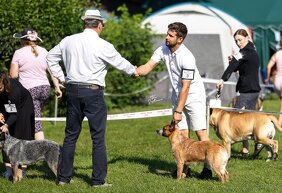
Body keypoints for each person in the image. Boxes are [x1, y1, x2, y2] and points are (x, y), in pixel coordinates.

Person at [46, 9, 138, 187]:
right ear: (99, 25)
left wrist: (63, 79)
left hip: (73, 91)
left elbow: (50, 57)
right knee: (97, 138)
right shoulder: (103, 44)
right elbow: (121, 63)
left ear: (85, 23)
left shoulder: (68, 40)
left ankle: (63, 178)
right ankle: (97, 181)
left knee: (70, 136)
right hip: (93, 93)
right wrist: (134, 71)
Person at [136, 22, 212, 179]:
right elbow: (147, 66)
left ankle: (208, 169)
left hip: (194, 96)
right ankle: (185, 169)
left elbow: (186, 87)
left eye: (170, 35)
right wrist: (132, 71)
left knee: (200, 133)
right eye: (167, 34)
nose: (166, 37)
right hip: (177, 95)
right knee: (182, 133)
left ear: (180, 39)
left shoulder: (187, 57)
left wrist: (178, 111)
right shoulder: (163, 49)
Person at [9, 28, 62, 140]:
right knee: (32, 118)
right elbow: (52, 72)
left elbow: (13, 75)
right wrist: (57, 87)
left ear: (23, 40)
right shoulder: (44, 51)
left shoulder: (18, 53)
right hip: (45, 89)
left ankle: (41, 150)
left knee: (35, 123)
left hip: (29, 91)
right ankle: (32, 148)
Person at [216, 29, 261, 156]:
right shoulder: (252, 49)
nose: (238, 43)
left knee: (234, 118)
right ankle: (247, 148)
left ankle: (255, 142)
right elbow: (239, 66)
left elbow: (232, 67)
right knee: (248, 120)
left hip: (246, 91)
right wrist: (234, 60)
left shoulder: (243, 52)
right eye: (236, 41)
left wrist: (222, 79)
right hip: (254, 90)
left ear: (247, 37)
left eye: (240, 40)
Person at [0, 71, 35, 178]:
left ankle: (22, 170)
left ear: (5, 84)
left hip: (23, 108)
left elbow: (14, 114)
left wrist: (6, 125)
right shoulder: (2, 91)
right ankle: (8, 170)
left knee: (21, 135)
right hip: (7, 104)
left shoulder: (14, 91)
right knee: (4, 137)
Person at [265, 36, 282, 126]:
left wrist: (267, 78)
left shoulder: (277, 54)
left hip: (277, 81)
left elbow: (268, 67)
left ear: (280, 43)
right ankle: (278, 124)